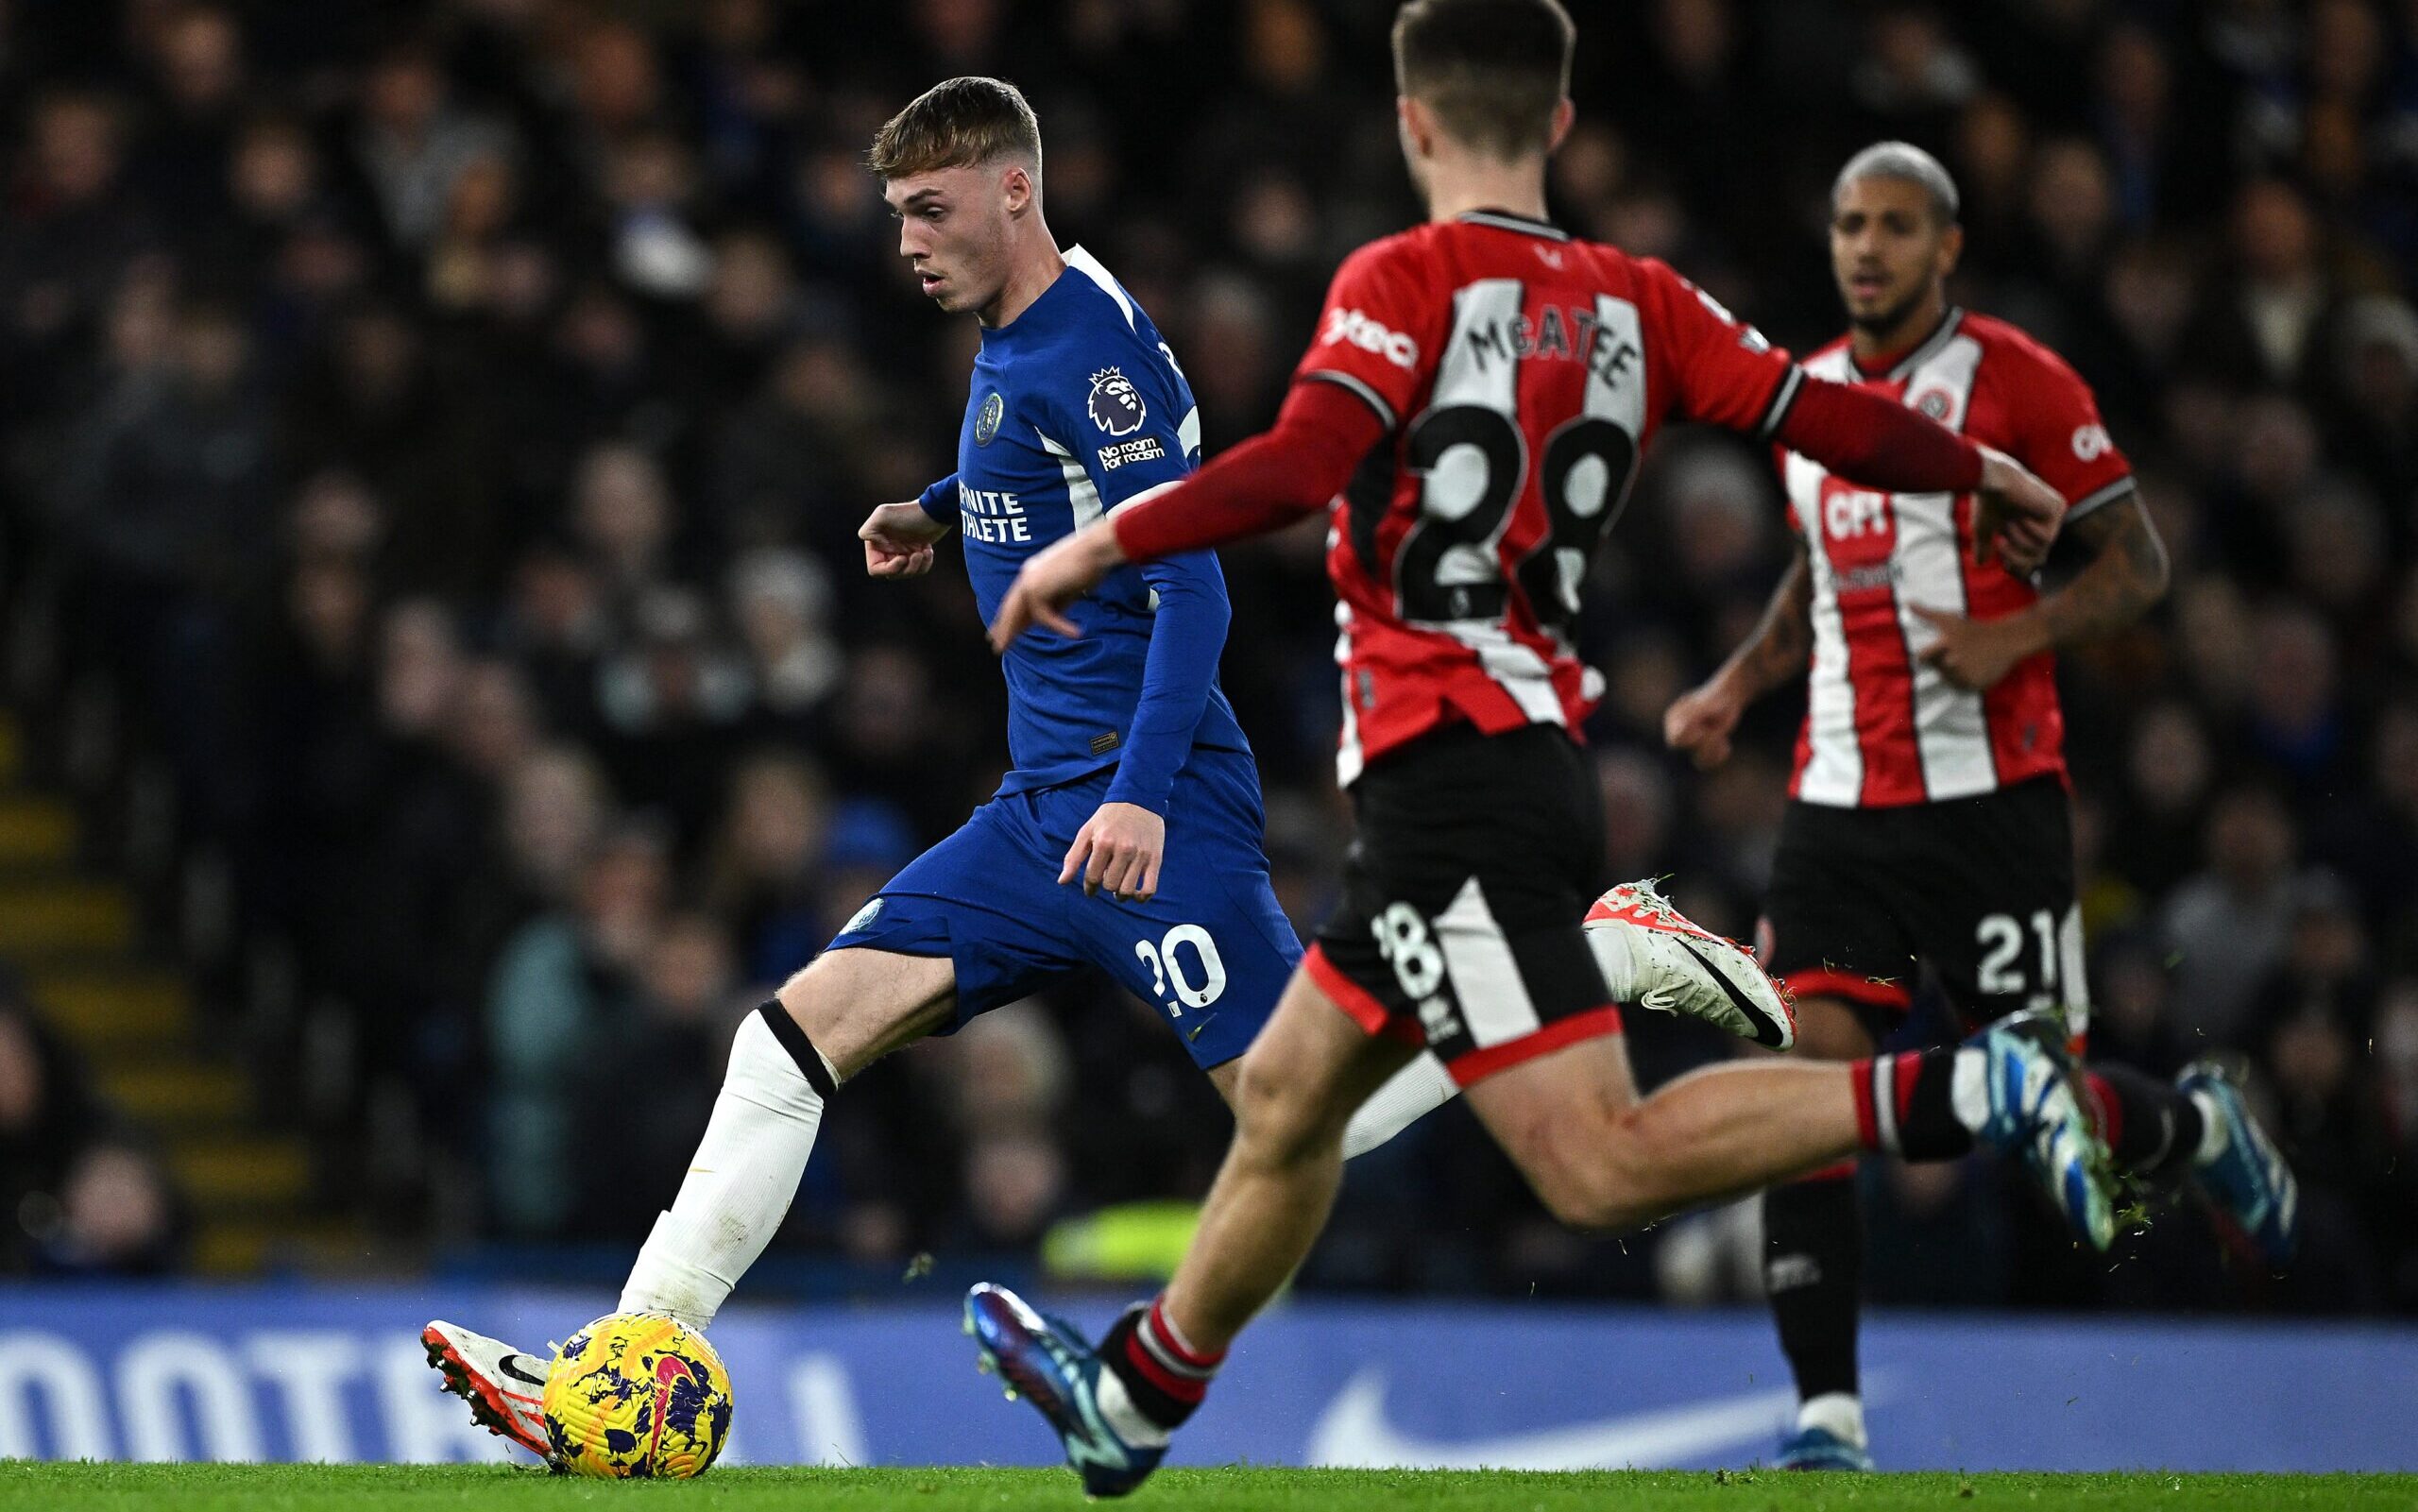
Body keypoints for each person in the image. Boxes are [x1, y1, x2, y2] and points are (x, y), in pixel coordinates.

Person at [966, 2, 2115, 1496]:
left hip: (1455, 770)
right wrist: (1986, 465)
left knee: (1596, 1162)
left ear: (1413, 122)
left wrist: (1100, 539)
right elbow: (1826, 413)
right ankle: (1136, 1398)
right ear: (1560, 124)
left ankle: (1974, 1089)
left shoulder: (1403, 277)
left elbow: (1303, 467)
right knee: (1288, 1098)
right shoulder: (1640, 299)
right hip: (1502, 759)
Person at [415, 75, 1488, 1457]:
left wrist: (1141, 797)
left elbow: (1196, 594)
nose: (907, 241)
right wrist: (939, 510)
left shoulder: (1088, 349)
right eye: (896, 215)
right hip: (1040, 813)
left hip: (1144, 804)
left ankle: (1594, 958)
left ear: (1015, 190)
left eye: (930, 209)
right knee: (788, 1036)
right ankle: (619, 1372)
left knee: (1306, 1122)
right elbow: (1053, 470)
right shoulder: (1024, 327)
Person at [1660, 141, 2301, 1471]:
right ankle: (1827, 1417)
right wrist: (1737, 680)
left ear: (1948, 246)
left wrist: (2022, 637)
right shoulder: (1812, 396)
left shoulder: (2019, 379)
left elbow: (2141, 560)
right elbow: (1814, 576)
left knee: (2038, 1103)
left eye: (1896, 225)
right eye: (1848, 223)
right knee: (1807, 1085)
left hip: (1993, 802)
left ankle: (2197, 1124)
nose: (1866, 247)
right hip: (1834, 804)